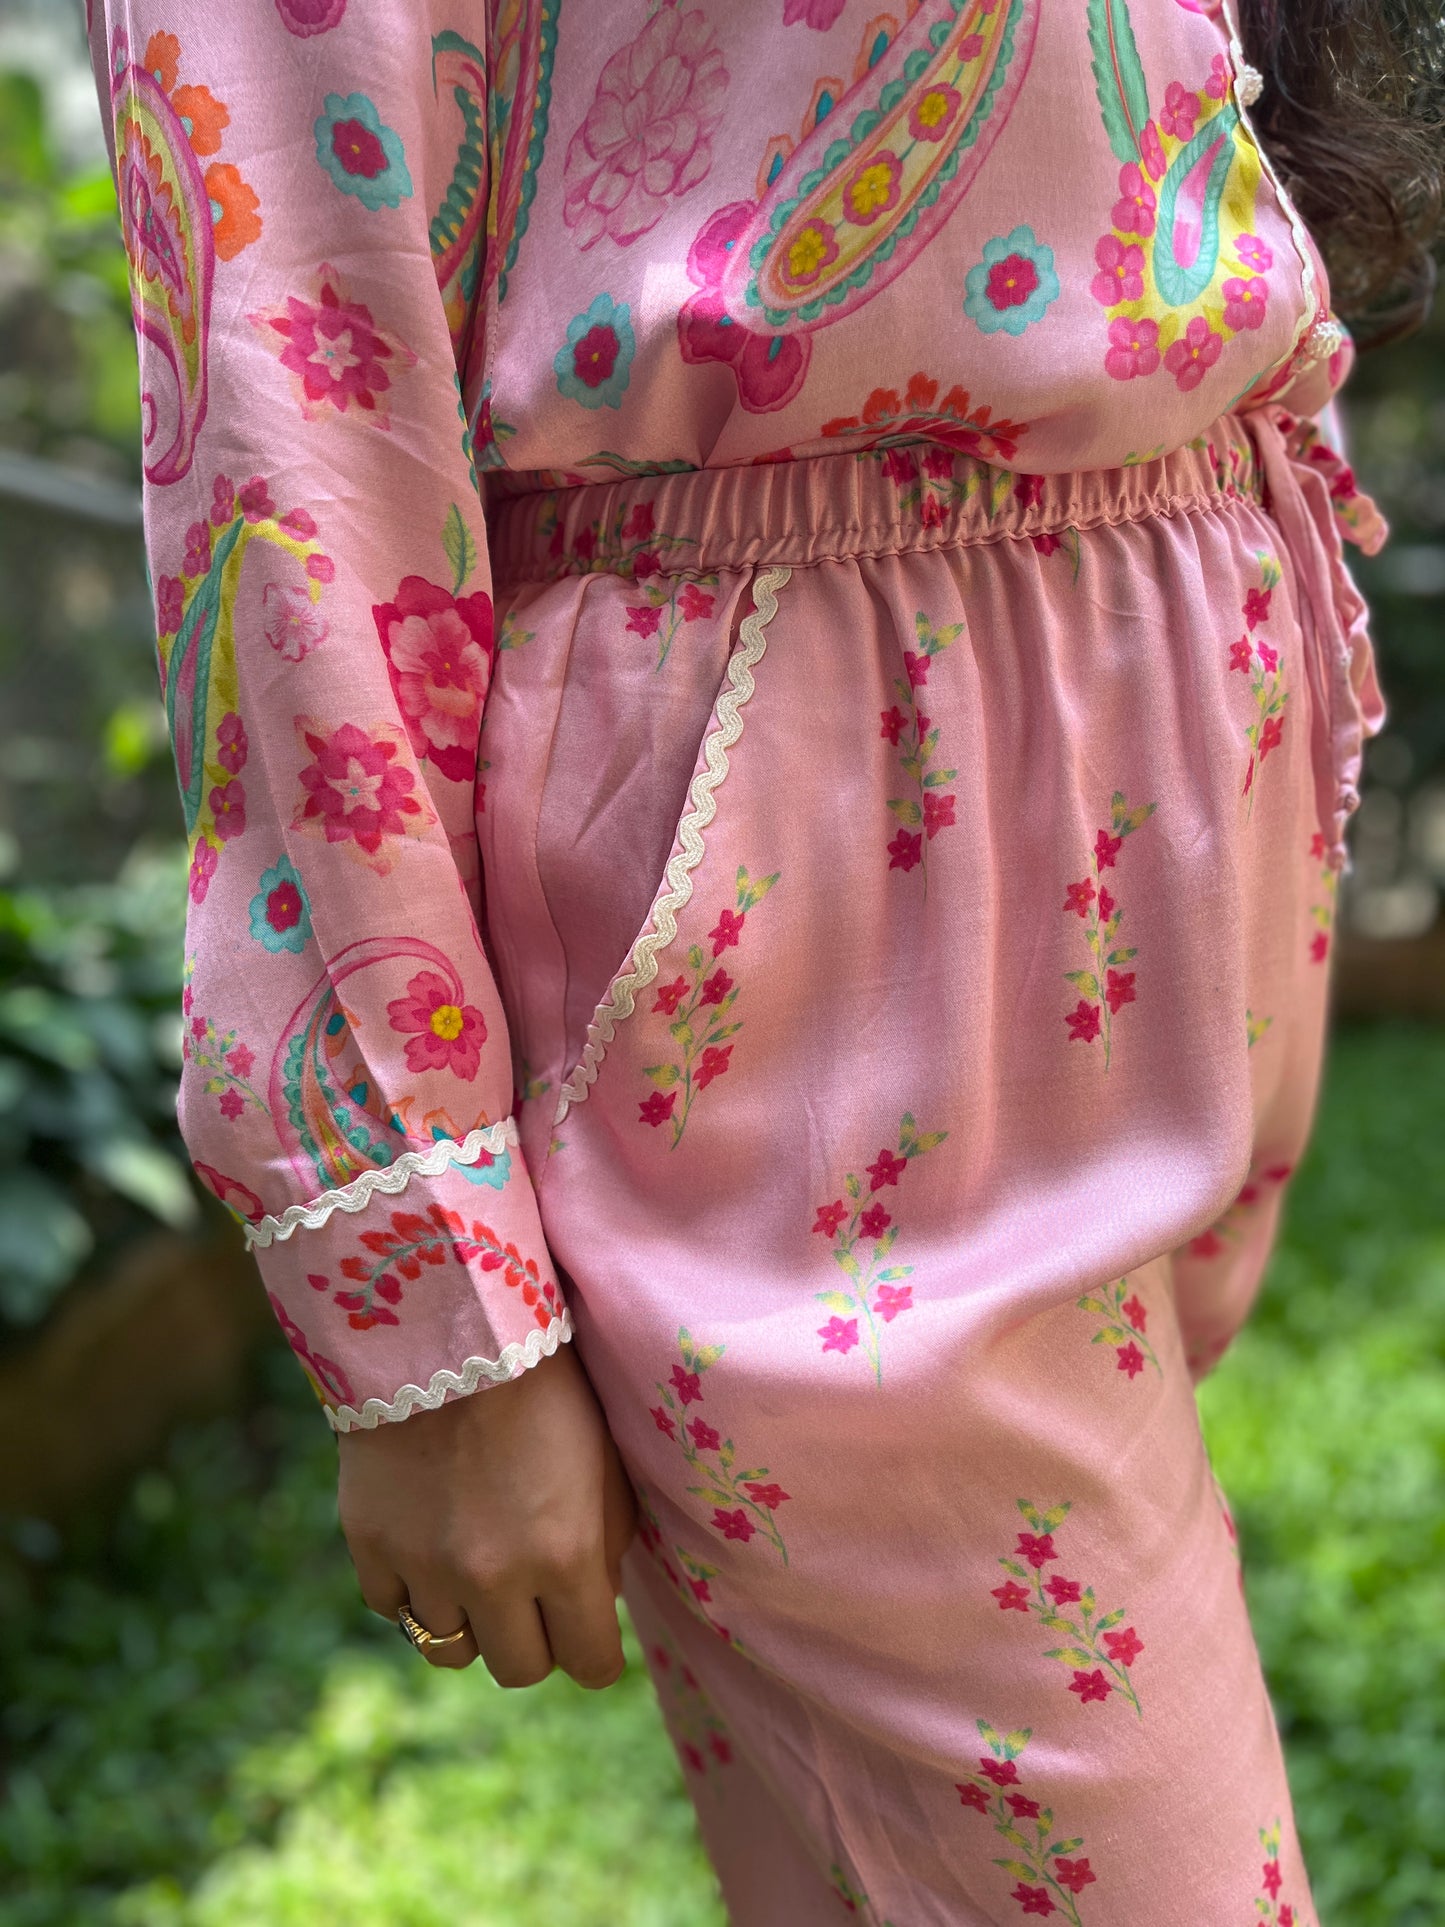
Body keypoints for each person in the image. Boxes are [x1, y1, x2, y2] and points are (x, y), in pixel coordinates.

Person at [88, 1, 1440, 1918]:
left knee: (861, 1847)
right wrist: (417, 1287)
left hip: (1154, 737)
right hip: (810, 835)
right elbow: (292, 400)